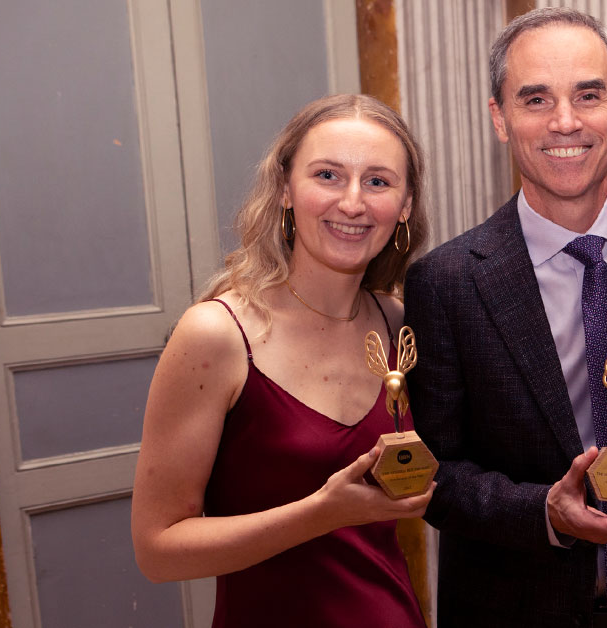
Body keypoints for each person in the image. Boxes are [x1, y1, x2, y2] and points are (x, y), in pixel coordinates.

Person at [403, 8, 607, 628]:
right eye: (535, 99)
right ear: (498, 117)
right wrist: (545, 513)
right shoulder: (447, 283)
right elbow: (435, 474)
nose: (565, 121)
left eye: (589, 95)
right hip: (526, 609)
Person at [131, 94, 434, 627]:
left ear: (405, 205)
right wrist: (323, 512)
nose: (353, 202)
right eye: (328, 175)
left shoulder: (399, 324)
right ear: (285, 190)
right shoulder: (217, 335)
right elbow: (158, 551)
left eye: (379, 182)